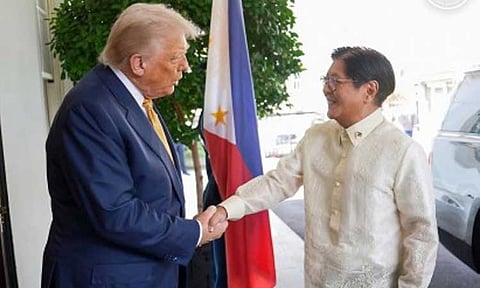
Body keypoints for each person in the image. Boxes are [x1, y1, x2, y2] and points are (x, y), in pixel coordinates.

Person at [211, 46, 439, 287]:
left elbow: (421, 233)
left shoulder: (403, 152)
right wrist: (226, 209)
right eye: (326, 80)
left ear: (369, 90)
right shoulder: (315, 137)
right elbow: (278, 182)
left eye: (335, 81)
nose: (325, 88)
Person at [41, 3, 227, 288]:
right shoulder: (90, 109)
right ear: (138, 63)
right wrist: (195, 232)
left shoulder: (133, 100)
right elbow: (115, 213)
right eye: (176, 57)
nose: (185, 67)